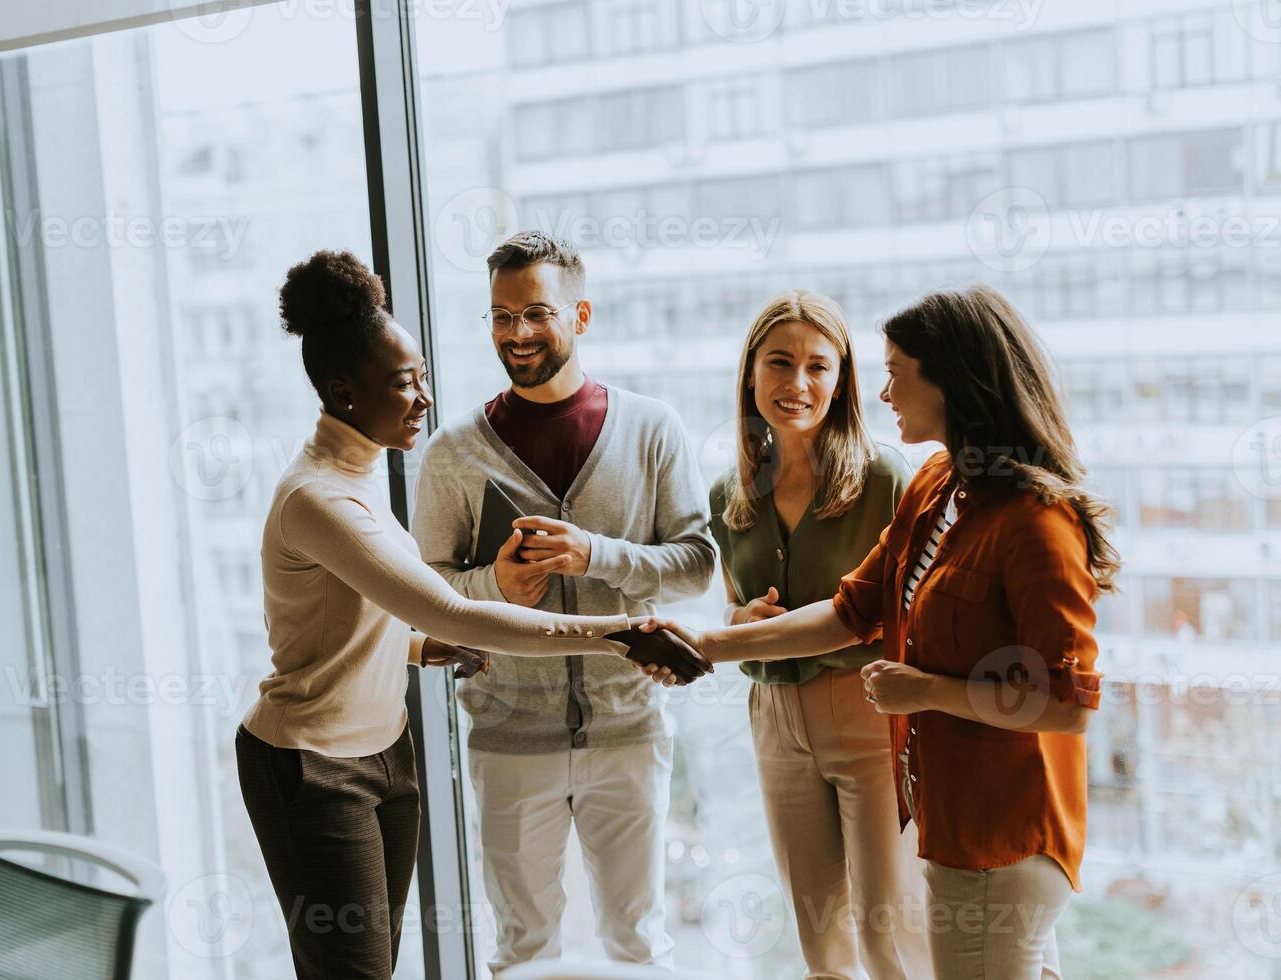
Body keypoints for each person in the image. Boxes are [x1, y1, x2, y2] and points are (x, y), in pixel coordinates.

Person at [235, 250, 706, 979]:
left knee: (371, 967)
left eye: (423, 376)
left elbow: (364, 615)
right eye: (403, 383)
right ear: (344, 392)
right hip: (315, 762)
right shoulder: (323, 497)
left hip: (385, 751)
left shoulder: (356, 475)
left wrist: (421, 651)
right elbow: (452, 606)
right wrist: (615, 633)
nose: (423, 396)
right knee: (354, 971)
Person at [636, 285, 1119, 979]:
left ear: (951, 379)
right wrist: (702, 643)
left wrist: (924, 689)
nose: (884, 391)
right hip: (950, 814)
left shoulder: (1036, 524)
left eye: (896, 372)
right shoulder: (938, 486)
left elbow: (1068, 707)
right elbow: (849, 610)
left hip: (1003, 833)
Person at [412, 231, 715, 973]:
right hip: (508, 736)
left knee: (636, 944)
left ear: (580, 316)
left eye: (536, 313)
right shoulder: (453, 454)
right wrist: (493, 587)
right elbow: (423, 597)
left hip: (630, 730)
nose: (516, 333)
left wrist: (595, 555)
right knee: (522, 951)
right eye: (500, 316)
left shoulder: (652, 430)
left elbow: (698, 565)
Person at [708, 290, 929, 978]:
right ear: (750, 374)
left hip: (869, 716)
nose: (796, 384)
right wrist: (736, 624)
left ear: (842, 381)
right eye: (779, 363)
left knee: (890, 937)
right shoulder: (728, 497)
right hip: (774, 720)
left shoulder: (887, 479)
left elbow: (919, 614)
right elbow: (737, 611)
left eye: (817, 367)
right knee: (819, 943)